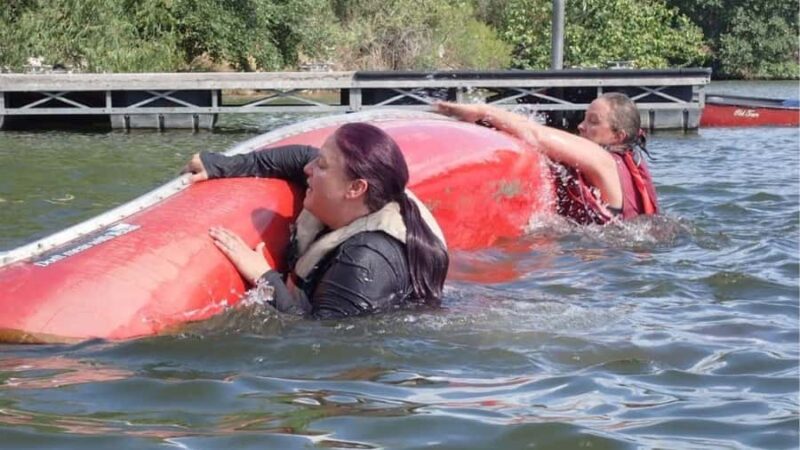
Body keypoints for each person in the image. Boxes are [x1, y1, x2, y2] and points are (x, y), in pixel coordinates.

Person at [183, 122, 449, 319]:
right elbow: (300, 157)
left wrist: (263, 277)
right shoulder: (366, 195)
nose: (308, 170)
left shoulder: (364, 262)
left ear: (355, 188)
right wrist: (223, 165)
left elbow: (321, 342)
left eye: (321, 166)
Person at [436, 92, 659, 225]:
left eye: (593, 121)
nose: (581, 126)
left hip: (598, 259)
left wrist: (481, 111)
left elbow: (536, 135)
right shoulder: (630, 163)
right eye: (584, 119)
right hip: (620, 253)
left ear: (617, 136)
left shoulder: (604, 160)